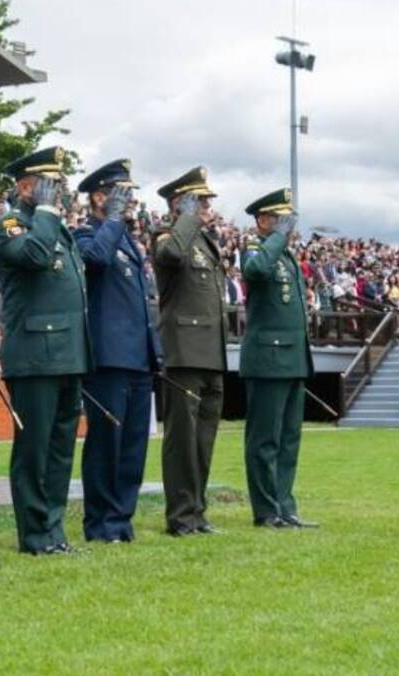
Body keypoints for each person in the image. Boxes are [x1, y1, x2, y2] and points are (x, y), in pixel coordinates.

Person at [0, 147, 90, 555]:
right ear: (25, 186)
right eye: (49, 184)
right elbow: (31, 256)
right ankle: (34, 535)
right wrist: (47, 212)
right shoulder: (12, 223)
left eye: (59, 184)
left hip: (68, 351)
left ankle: (54, 530)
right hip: (35, 354)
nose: (58, 191)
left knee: (61, 448)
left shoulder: (57, 228)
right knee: (34, 449)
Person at [73, 160, 164, 543]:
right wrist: (111, 219)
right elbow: (95, 261)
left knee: (132, 446)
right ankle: (100, 523)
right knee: (106, 443)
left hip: (138, 357)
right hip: (108, 356)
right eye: (121, 195)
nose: (129, 202)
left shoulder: (128, 239)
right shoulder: (84, 233)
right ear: (99, 197)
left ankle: (121, 520)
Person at [151, 166, 227, 537]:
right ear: (180, 203)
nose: (208, 205)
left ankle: (198, 512)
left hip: (210, 352)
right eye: (200, 199)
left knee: (203, 439)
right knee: (182, 439)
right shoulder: (169, 235)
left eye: (208, 200)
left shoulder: (204, 240)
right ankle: (181, 516)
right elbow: (170, 258)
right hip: (183, 351)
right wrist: (185, 218)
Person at [240, 188, 318, 529]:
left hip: (292, 359)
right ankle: (266, 509)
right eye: (279, 220)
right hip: (268, 358)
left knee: (288, 440)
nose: (287, 226)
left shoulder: (285, 256)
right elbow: (255, 271)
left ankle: (286, 506)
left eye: (288, 220)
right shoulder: (256, 249)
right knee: (264, 440)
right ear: (262, 221)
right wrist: (278, 238)